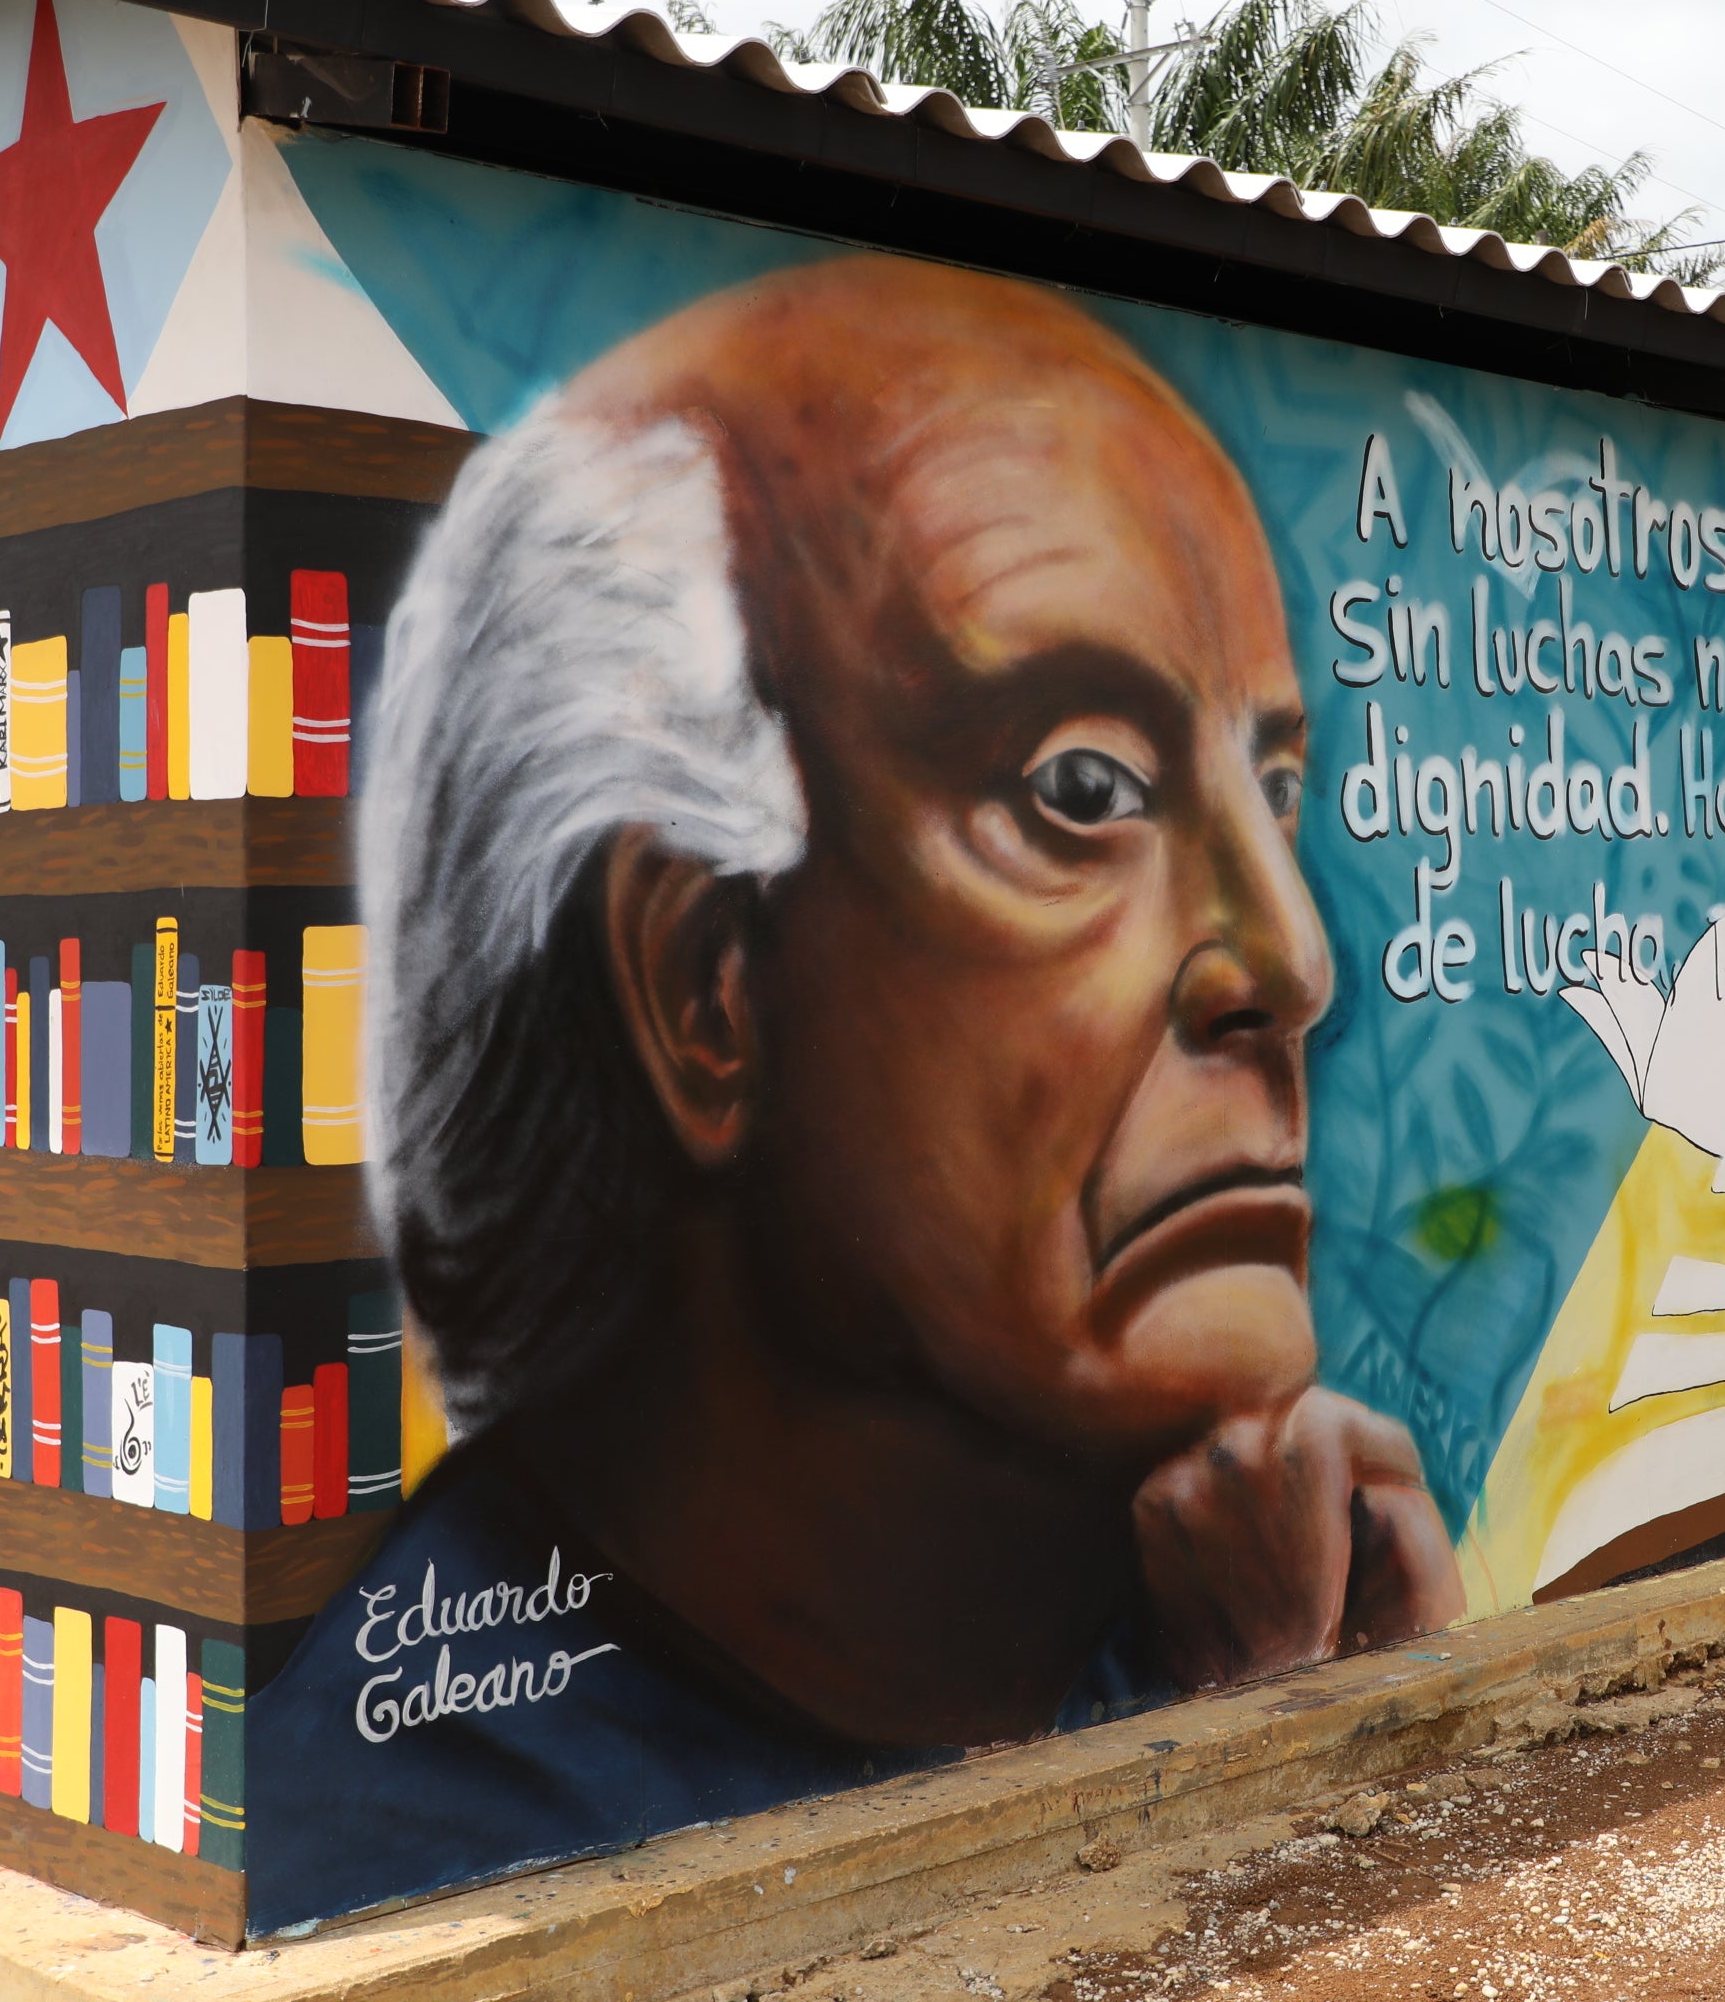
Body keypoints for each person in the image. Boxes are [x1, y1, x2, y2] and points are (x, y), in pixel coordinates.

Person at [251, 254, 1461, 1924]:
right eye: (1083, 789)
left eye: (1272, 783)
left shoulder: (1197, 1601)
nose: (1294, 961)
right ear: (706, 990)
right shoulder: (417, 1855)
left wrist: (1269, 1706)